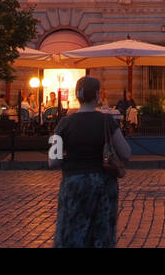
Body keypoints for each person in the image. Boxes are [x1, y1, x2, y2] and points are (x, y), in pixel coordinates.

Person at [50, 75, 132, 248]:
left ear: (77, 96)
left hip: (74, 183)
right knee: (102, 234)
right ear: (97, 95)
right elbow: (126, 152)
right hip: (103, 184)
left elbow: (53, 161)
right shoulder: (106, 121)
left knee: (72, 233)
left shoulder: (63, 123)